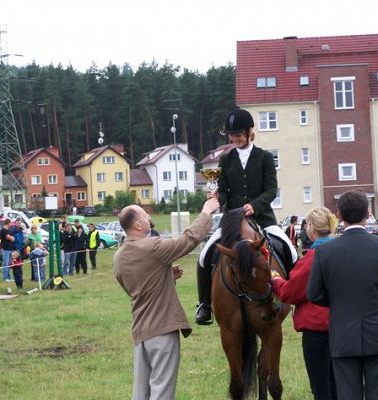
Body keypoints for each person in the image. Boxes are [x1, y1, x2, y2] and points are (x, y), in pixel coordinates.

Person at [195, 108, 298, 325]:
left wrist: (255, 205)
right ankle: (204, 305)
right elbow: (224, 190)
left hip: (262, 218)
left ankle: (297, 298)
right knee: (204, 256)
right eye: (232, 135)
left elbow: (271, 190)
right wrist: (217, 196)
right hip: (232, 220)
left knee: (291, 251)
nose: (235, 138)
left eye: (239, 134)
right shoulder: (226, 159)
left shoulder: (265, 157)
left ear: (250, 131)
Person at [114, 197, 219, 400]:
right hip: (162, 331)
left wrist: (166, 275)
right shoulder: (152, 247)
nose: (149, 218)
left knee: (141, 394)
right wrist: (206, 212)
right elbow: (188, 240)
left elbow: (136, 289)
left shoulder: (118, 257)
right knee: (162, 392)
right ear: (137, 224)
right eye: (145, 216)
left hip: (140, 333)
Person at [307, 190, 378, 400]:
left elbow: (314, 294)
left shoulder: (325, 252)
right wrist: (376, 294)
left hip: (343, 334)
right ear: (368, 213)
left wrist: (338, 299)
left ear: (339, 216)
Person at [271, 207, 337, 399]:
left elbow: (290, 292)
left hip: (317, 330)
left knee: (321, 388)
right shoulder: (341, 250)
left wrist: (275, 279)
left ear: (310, 228)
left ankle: (205, 303)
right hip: (342, 327)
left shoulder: (311, 259)